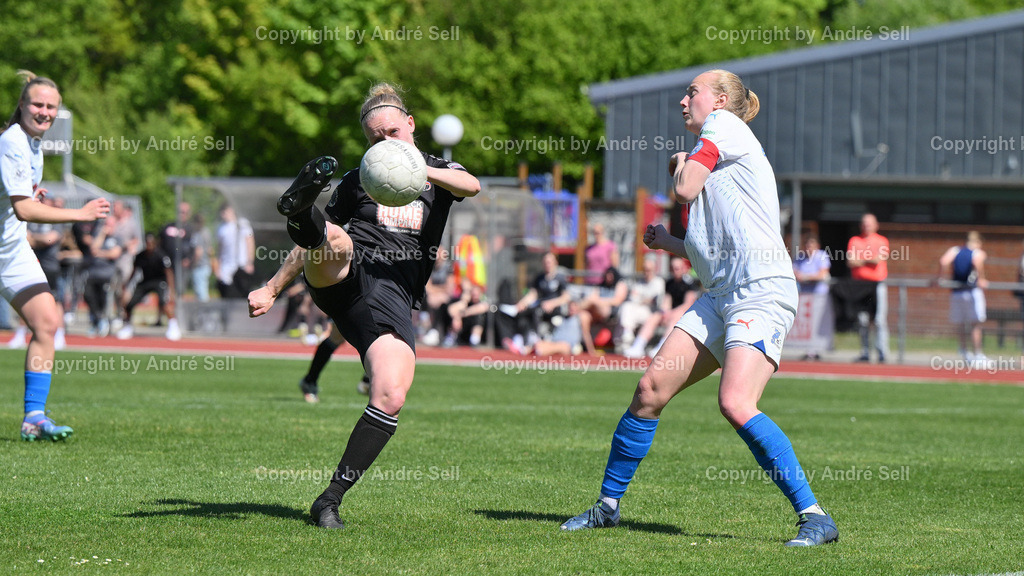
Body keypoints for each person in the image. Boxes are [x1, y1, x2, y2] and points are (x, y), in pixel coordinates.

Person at [561, 69, 838, 546]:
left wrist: (683, 165)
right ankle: (607, 506)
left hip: (760, 290)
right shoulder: (718, 155)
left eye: (693, 92)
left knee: (734, 402)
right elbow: (712, 245)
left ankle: (815, 516)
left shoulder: (723, 128)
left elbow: (685, 188)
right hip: (721, 293)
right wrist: (671, 242)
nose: (683, 100)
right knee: (649, 390)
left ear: (723, 100)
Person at [247, 82, 480, 528]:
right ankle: (300, 213)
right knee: (334, 236)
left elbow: (471, 185)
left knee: (391, 393)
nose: (386, 143)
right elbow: (314, 248)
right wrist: (273, 287)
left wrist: (419, 172)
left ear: (410, 125)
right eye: (377, 139)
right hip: (345, 273)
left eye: (393, 132)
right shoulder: (360, 178)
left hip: (393, 297)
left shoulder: (439, 171)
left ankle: (329, 500)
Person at [1, 72, 110, 440]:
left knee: (47, 323)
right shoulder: (14, 142)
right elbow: (25, 212)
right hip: (11, 242)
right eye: (37, 104)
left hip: (11, 250)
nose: (44, 111)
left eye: (51, 106)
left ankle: (34, 417)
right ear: (22, 105)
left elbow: (22, 201)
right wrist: (80, 214)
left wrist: (33, 193)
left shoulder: (33, 144)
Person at [623, 256, 699, 359]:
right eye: (672, 268)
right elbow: (667, 300)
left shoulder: (690, 283)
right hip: (671, 313)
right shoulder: (669, 283)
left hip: (684, 316)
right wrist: (665, 311)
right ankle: (638, 346)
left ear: (683, 268)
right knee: (654, 316)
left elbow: (688, 304)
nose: (674, 270)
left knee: (675, 317)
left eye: (677, 268)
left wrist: (672, 313)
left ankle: (662, 348)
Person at [937, 231, 989, 367]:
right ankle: (977, 354)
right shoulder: (977, 252)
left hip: (956, 292)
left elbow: (943, 261)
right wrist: (982, 279)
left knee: (961, 323)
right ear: (978, 242)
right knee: (975, 324)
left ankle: (964, 351)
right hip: (972, 291)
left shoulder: (955, 250)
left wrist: (940, 279)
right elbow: (977, 262)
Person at [502, 251, 572, 353]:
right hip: (540, 306)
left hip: (554, 309)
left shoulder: (560, 278)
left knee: (537, 312)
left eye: (550, 261)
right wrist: (521, 304)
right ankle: (520, 340)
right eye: (545, 262)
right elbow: (532, 294)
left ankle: (536, 339)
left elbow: (566, 297)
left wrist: (552, 303)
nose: (547, 264)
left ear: (555, 262)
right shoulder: (540, 278)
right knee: (524, 313)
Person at [116, 232, 181, 341]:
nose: (150, 245)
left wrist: (171, 290)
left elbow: (169, 273)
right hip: (145, 281)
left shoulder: (161, 255)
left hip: (160, 281)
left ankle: (173, 325)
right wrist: (126, 285)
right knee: (129, 304)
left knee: (163, 302)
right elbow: (134, 271)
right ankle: (127, 326)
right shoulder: (140, 256)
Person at [847, 213, 889, 363]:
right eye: (864, 223)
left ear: (876, 225)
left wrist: (861, 259)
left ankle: (882, 352)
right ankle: (865, 352)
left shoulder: (882, 240)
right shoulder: (854, 240)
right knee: (863, 321)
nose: (866, 226)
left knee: (879, 320)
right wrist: (868, 260)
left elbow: (878, 259)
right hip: (860, 286)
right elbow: (851, 261)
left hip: (877, 284)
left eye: (869, 223)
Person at [793, 235, 832, 361]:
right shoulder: (800, 257)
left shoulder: (821, 256)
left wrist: (805, 277)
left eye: (812, 245)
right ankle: (808, 349)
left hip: (818, 295)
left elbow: (822, 274)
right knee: (806, 324)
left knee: (817, 323)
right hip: (804, 296)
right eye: (807, 245)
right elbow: (794, 272)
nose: (809, 248)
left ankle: (816, 349)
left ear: (817, 246)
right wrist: (808, 277)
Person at [617, 255, 665, 350]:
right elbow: (633, 298)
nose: (646, 272)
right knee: (626, 307)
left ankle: (628, 338)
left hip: (652, 313)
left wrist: (641, 299)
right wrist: (643, 299)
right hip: (637, 310)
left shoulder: (658, 282)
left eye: (648, 269)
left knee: (627, 310)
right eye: (645, 269)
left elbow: (653, 300)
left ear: (654, 269)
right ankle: (627, 336)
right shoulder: (639, 282)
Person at [214, 202, 255, 298]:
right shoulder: (221, 228)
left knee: (243, 293)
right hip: (226, 266)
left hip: (241, 265)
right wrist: (218, 267)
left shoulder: (242, 224)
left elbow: (250, 243)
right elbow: (219, 249)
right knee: (227, 293)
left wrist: (249, 262)